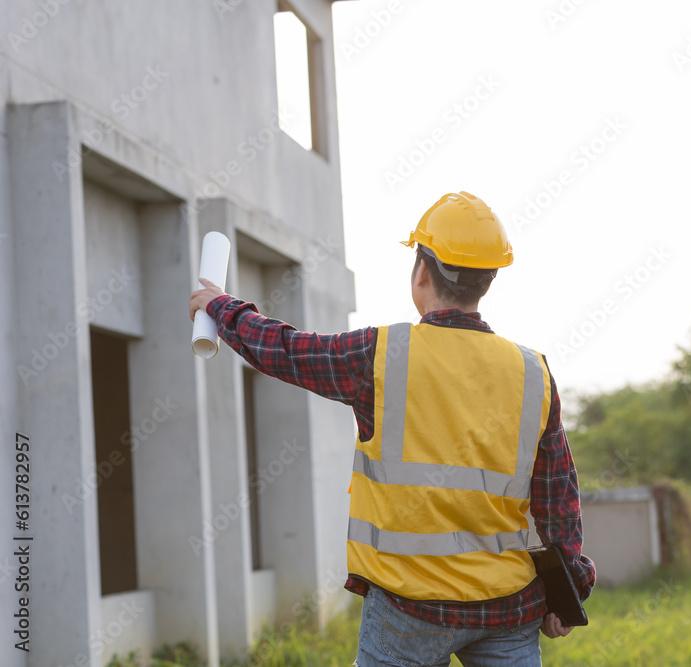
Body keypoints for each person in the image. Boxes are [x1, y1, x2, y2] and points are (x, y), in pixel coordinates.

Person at [189, 191, 596, 666]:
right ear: (488, 281)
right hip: (506, 605)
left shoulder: (380, 356)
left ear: (421, 271)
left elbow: (287, 350)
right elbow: (558, 497)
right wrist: (569, 586)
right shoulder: (533, 372)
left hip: (407, 607)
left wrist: (222, 307)